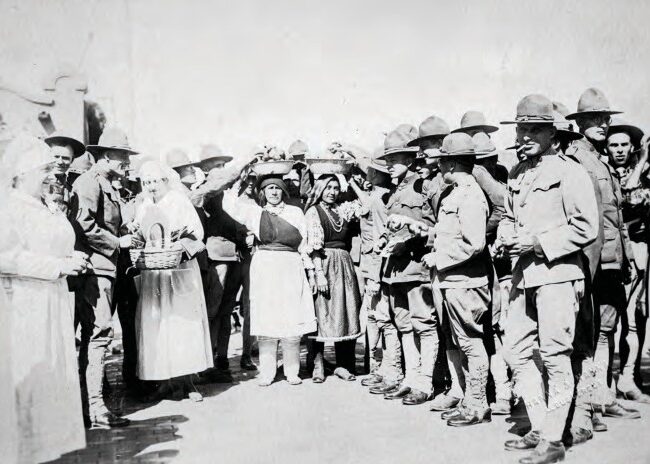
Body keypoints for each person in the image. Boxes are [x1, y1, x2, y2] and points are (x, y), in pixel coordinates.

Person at [498, 94, 599, 464]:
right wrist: (505, 237)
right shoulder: (517, 173)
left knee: (556, 356)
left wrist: (538, 242)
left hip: (558, 274)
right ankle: (540, 425)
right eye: (521, 128)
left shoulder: (570, 172)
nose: (525, 136)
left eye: (534, 130)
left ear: (552, 135)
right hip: (522, 276)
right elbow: (509, 216)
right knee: (516, 352)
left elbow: (587, 226)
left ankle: (554, 440)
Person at [0, 135, 87, 462]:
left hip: (52, 298)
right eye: (44, 169)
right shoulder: (8, 207)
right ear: (22, 173)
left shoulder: (47, 205)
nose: (52, 174)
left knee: (52, 374)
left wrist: (72, 259)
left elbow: (56, 244)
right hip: (24, 302)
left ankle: (48, 450)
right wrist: (58, 266)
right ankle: (22, 451)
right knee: (30, 374)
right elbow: (6, 258)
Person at [401, 132, 493, 426]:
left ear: (452, 164)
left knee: (471, 342)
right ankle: (467, 399)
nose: (438, 168)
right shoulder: (455, 194)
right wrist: (422, 232)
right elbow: (450, 234)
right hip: (451, 281)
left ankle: (478, 404)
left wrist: (439, 258)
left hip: (466, 282)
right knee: (457, 340)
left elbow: (474, 241)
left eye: (442, 162)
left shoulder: (470, 195)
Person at [566, 88, 641, 424]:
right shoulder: (577, 157)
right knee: (588, 332)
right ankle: (587, 404)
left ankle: (604, 395)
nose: (602, 124)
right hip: (592, 261)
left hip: (611, 261)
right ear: (579, 123)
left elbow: (617, 215)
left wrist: (626, 257)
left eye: (605, 118)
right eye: (593, 119)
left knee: (606, 329)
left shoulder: (600, 159)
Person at [69, 127, 138, 427]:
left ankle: (93, 406)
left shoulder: (107, 183)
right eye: (123, 156)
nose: (126, 162)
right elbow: (82, 224)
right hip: (96, 271)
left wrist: (125, 233)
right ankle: (95, 409)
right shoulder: (88, 182)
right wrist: (116, 243)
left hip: (108, 269)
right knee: (97, 336)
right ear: (107, 156)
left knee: (97, 337)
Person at [223, 174, 317, 385]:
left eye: (277, 188)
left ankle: (292, 371)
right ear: (263, 192)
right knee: (268, 317)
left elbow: (304, 245)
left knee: (291, 316)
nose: (274, 192)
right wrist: (239, 179)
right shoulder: (256, 213)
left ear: (283, 191)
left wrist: (310, 271)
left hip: (291, 267)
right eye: (269, 188)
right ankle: (268, 372)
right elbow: (229, 204)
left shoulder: (295, 212)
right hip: (266, 267)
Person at [132, 161, 213, 401]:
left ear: (166, 181)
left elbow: (196, 233)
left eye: (155, 181)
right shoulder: (144, 204)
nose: (151, 187)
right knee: (157, 323)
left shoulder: (179, 201)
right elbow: (140, 233)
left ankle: (187, 381)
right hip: (154, 272)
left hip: (179, 269)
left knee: (181, 322)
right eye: (146, 182)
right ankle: (165, 380)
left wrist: (178, 246)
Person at [372, 125, 438, 406]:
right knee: (404, 325)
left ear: (410, 159)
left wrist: (407, 241)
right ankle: (411, 379)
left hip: (415, 267)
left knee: (424, 325)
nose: (389, 165)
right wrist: (386, 239)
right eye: (387, 160)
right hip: (395, 271)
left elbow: (433, 229)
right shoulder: (396, 191)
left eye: (395, 159)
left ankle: (425, 383)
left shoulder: (423, 187)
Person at [605, 119, 650, 403]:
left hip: (637, 247)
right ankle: (608, 381)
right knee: (609, 318)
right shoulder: (603, 170)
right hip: (612, 249)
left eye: (624, 145)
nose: (619, 150)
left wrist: (644, 159)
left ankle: (629, 377)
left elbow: (633, 202)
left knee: (634, 318)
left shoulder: (643, 174)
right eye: (613, 145)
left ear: (632, 147)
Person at [305, 173, 362, 383]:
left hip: (344, 264)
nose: (332, 192)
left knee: (346, 313)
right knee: (321, 313)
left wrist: (353, 181)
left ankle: (344, 365)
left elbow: (365, 206)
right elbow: (313, 246)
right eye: (328, 187)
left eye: (336, 188)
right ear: (320, 189)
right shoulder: (313, 212)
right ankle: (316, 365)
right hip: (324, 263)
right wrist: (319, 274)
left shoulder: (344, 209)